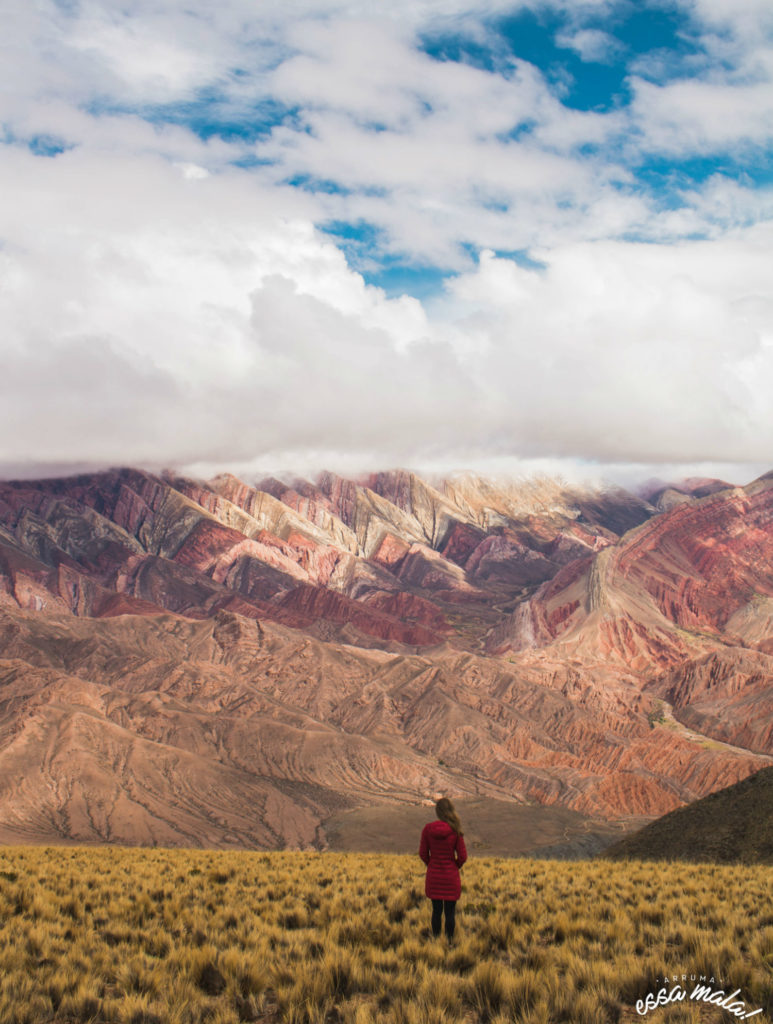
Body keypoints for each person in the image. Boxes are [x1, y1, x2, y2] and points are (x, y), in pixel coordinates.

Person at [418, 796, 467, 941]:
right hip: (450, 878)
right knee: (450, 913)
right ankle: (449, 942)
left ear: (438, 812)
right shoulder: (455, 830)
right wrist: (454, 866)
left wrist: (431, 864)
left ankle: (436, 939)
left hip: (434, 878)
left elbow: (422, 853)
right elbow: (463, 856)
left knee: (436, 911)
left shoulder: (428, 829)